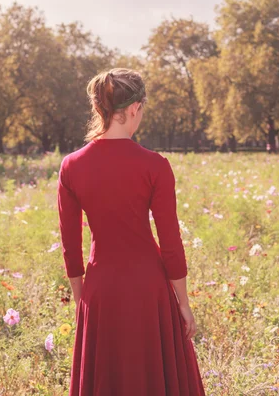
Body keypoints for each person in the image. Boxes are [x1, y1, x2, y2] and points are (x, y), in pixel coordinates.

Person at [57, 68, 206, 396]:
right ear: (135, 108)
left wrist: (83, 298)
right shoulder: (155, 166)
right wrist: (183, 303)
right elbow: (170, 243)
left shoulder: (71, 166)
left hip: (101, 288)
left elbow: (70, 245)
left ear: (100, 109)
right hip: (148, 290)